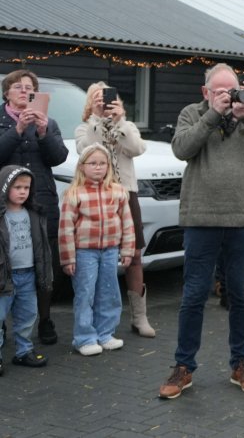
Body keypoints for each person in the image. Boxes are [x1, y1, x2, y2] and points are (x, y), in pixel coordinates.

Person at [158, 63, 244, 399]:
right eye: (220, 91)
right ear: (206, 92)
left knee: (241, 295)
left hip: (243, 219)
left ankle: (241, 363)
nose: (228, 96)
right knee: (194, 295)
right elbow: (182, 149)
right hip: (201, 217)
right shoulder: (191, 113)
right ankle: (184, 366)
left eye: (232, 89)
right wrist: (212, 115)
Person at [75, 82, 155, 338]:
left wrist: (119, 121)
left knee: (134, 255)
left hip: (126, 194)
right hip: (95, 197)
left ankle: (139, 317)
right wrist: (98, 119)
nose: (105, 101)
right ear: (90, 102)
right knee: (97, 258)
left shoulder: (127, 126)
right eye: (98, 98)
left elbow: (137, 149)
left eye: (109, 97)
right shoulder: (84, 128)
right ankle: (97, 318)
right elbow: (85, 149)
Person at [0, 69, 68, 346]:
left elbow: (59, 157)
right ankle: (4, 326)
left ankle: (44, 319)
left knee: (42, 263)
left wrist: (42, 132)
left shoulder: (48, 122)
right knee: (6, 262)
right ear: (7, 93)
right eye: (18, 87)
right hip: (4, 204)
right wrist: (17, 131)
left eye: (29, 88)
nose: (24, 91)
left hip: (41, 202)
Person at [58, 144, 135, 356]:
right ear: (82, 166)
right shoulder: (74, 194)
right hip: (84, 253)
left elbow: (127, 223)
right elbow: (65, 229)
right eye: (93, 163)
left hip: (110, 251)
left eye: (102, 163)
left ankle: (105, 334)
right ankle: (84, 338)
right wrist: (68, 258)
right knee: (85, 294)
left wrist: (127, 250)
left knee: (109, 293)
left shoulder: (118, 192)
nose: (98, 167)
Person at [1, 165, 53, 372]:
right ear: (4, 187)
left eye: (27, 187)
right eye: (17, 187)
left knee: (27, 316)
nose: (23, 191)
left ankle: (23, 352)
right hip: (4, 277)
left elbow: (43, 248)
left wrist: (44, 274)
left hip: (28, 274)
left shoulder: (34, 213)